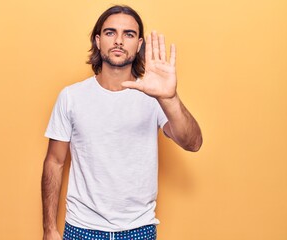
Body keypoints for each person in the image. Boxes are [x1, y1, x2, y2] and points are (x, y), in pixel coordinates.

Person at [41, 5, 202, 240]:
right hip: (82, 228)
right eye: (110, 32)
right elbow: (54, 162)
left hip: (139, 229)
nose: (118, 40)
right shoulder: (71, 97)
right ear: (97, 40)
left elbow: (193, 143)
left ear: (138, 45)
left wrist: (170, 98)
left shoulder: (156, 97)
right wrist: (49, 228)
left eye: (128, 34)